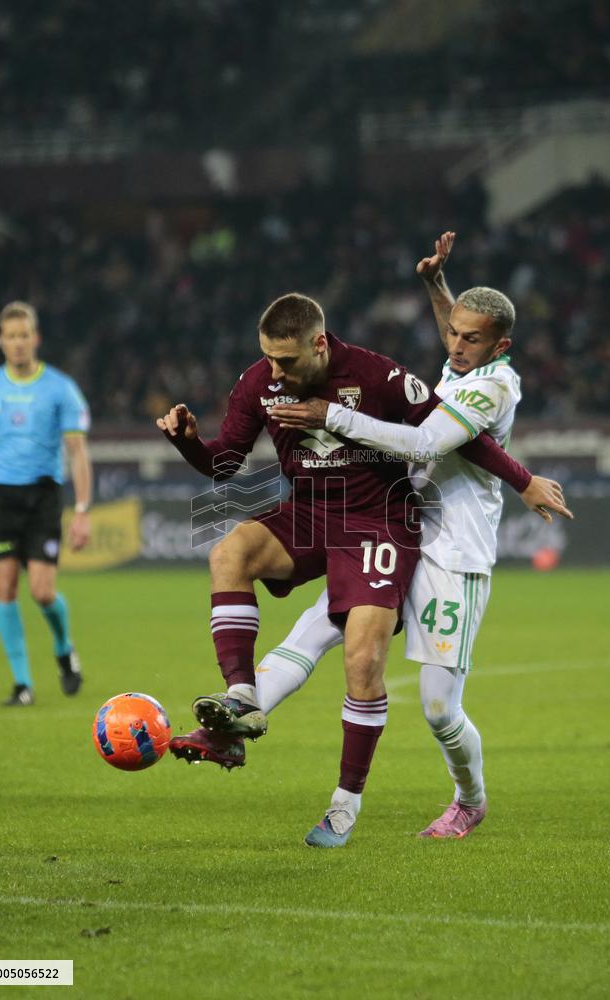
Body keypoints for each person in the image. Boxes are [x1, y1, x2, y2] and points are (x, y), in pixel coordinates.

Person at [158, 290, 559, 846]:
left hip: (380, 523)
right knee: (229, 552)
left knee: (376, 665)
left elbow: (452, 438)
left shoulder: (379, 376)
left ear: (319, 345)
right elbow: (224, 462)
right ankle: (239, 704)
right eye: (268, 358)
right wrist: (187, 444)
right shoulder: (259, 382)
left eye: (288, 361)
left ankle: (350, 806)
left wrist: (523, 480)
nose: (275, 371)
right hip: (311, 513)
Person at [264, 249, 569, 841]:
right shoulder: (462, 365)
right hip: (397, 527)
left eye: (472, 340)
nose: (455, 346)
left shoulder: (493, 391)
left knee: (437, 708)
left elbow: (425, 443)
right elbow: (455, 335)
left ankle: (470, 799)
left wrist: (336, 416)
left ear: (499, 347)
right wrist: (437, 285)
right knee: (318, 625)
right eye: (453, 333)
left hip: (454, 552)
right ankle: (238, 710)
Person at [0, 301, 92, 706]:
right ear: (1, 341)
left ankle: (65, 649)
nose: (17, 344)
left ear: (35, 339)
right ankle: (22, 685)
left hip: (42, 496)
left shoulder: (60, 389)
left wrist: (82, 509)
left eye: (24, 336)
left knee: (43, 591)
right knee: (5, 587)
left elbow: (78, 452)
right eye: (10, 336)